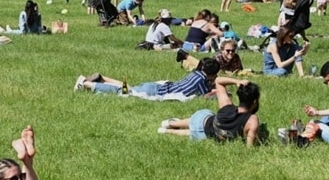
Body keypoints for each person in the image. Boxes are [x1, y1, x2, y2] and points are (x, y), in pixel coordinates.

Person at [158, 77, 261, 145]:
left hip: (202, 121)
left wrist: (236, 81)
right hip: (203, 136)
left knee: (204, 117)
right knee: (193, 133)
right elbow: (250, 146)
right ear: (255, 102)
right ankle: (167, 131)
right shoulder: (252, 120)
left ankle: (171, 123)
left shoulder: (226, 105)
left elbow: (218, 81)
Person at [75, 58, 220, 98]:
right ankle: (86, 84)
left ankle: (102, 78)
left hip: (156, 87)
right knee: (123, 93)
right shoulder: (201, 80)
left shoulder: (195, 74)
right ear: (212, 74)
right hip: (157, 93)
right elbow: (205, 96)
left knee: (128, 89)